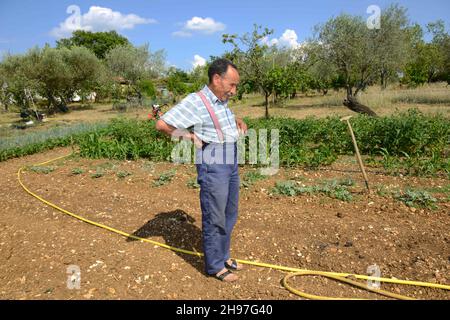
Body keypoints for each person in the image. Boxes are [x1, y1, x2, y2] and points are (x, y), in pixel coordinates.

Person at [155, 58, 247, 282]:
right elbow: (162, 124)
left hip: (231, 157)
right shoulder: (196, 101)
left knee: (229, 212)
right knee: (215, 215)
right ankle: (215, 266)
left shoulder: (220, 99)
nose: (234, 91)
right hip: (213, 161)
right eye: (232, 85)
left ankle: (224, 256)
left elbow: (214, 120)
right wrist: (188, 136)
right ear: (217, 79)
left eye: (236, 86)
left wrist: (236, 119)